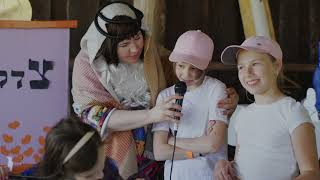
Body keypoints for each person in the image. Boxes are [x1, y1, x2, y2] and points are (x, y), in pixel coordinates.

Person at [71, 1, 239, 179]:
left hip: (158, 151)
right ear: (107, 46)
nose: (135, 48)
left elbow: (189, 75)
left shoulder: (152, 53)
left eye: (137, 38)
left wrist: (227, 98)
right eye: (124, 44)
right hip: (111, 152)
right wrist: (152, 115)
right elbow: (92, 113)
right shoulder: (87, 64)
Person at [214, 36, 320, 180]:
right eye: (241, 67)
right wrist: (225, 166)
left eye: (255, 64)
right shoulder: (243, 115)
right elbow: (244, 165)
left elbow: (311, 173)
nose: (247, 73)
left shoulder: (293, 111)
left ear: (276, 66)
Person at [152, 30, 229, 180]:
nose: (185, 74)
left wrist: (172, 141)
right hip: (175, 175)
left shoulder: (215, 89)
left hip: (209, 174)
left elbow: (213, 144)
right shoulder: (165, 96)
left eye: (193, 68)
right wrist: (197, 151)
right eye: (181, 66)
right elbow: (159, 152)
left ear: (204, 67)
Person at [37, 117, 122, 180]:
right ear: (63, 172)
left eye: (102, 167)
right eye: (89, 175)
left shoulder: (109, 169)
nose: (101, 176)